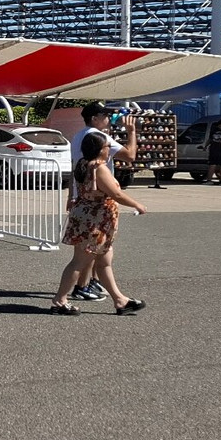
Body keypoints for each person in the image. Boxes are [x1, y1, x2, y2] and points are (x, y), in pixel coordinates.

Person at [51, 131, 148, 315]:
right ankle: (59, 301)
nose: (109, 150)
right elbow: (116, 194)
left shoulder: (84, 164)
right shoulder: (98, 168)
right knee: (79, 262)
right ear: (100, 149)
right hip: (95, 221)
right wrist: (137, 204)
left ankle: (120, 301)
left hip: (90, 218)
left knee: (104, 261)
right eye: (107, 147)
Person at [67, 101, 137, 302]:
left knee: (94, 248)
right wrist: (131, 132)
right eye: (104, 115)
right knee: (90, 249)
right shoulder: (99, 138)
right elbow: (130, 156)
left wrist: (71, 196)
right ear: (95, 118)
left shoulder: (78, 136)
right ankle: (81, 286)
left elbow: (74, 168)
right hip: (97, 201)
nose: (108, 119)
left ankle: (91, 282)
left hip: (82, 196)